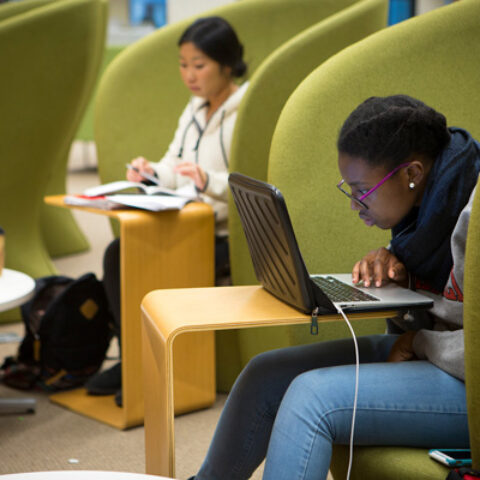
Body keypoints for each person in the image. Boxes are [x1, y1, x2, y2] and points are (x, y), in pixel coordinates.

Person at [188, 95, 480, 480]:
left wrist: (418, 342)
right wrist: (405, 283)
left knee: (312, 398)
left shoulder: (473, 213)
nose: (355, 204)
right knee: (265, 374)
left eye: (362, 190)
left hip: (469, 381)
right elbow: (450, 304)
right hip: (441, 355)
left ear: (412, 173)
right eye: (350, 188)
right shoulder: (426, 213)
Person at [85, 16, 248, 405]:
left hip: (223, 236)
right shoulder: (194, 107)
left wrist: (208, 181)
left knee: (142, 260)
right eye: (183, 64)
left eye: (199, 65)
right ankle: (133, 361)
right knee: (117, 253)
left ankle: (152, 373)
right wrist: (151, 171)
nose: (189, 75)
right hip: (184, 224)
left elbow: (250, 184)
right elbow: (174, 165)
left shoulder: (245, 110)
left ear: (226, 64)